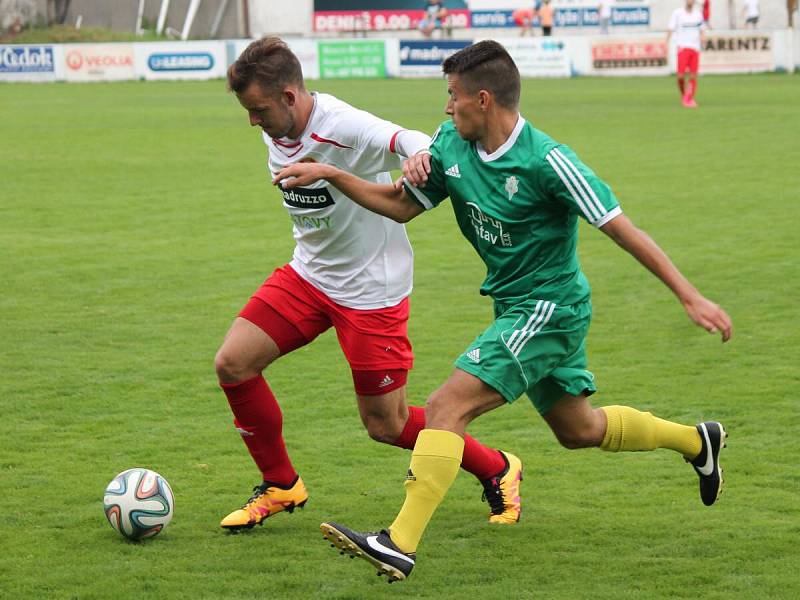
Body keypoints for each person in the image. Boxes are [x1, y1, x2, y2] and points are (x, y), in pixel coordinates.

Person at [274, 40, 732, 582]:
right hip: (516, 308)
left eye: (453, 96)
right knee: (578, 429)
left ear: (483, 100)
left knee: (446, 406)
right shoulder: (451, 145)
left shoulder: (549, 161)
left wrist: (689, 295)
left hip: (550, 309)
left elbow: (623, 230)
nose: (446, 108)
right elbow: (400, 207)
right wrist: (333, 174)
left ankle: (398, 542)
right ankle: (697, 440)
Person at [215, 37, 522, 532]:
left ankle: (497, 467)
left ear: (291, 97)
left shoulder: (340, 124)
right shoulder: (276, 123)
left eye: (258, 110)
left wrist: (418, 157)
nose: (254, 121)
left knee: (387, 424)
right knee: (233, 364)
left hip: (369, 292)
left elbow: (411, 139)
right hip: (309, 275)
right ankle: (281, 483)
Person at [667, 0, 707, 108]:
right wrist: (666, 44)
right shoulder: (677, 13)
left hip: (695, 48)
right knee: (680, 76)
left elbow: (702, 29)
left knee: (693, 75)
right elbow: (670, 29)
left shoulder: (698, 14)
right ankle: (685, 96)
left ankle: (688, 99)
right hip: (683, 47)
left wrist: (703, 38)